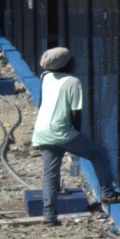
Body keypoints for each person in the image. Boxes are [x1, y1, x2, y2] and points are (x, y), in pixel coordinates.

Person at [31, 46, 85, 223]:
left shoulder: (45, 77)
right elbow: (76, 113)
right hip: (63, 133)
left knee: (50, 173)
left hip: (43, 132)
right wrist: (77, 132)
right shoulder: (73, 82)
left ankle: (49, 215)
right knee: (100, 155)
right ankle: (109, 193)